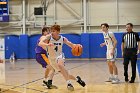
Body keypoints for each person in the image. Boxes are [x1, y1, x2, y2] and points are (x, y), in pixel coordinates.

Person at [38, 24, 86, 91]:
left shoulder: (63, 39)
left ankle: (68, 83)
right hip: (52, 59)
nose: (52, 32)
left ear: (58, 32)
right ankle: (78, 79)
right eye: (51, 31)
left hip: (60, 56)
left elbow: (71, 45)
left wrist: (78, 46)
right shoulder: (49, 37)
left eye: (53, 31)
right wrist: (47, 44)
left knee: (60, 64)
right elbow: (40, 43)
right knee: (66, 74)